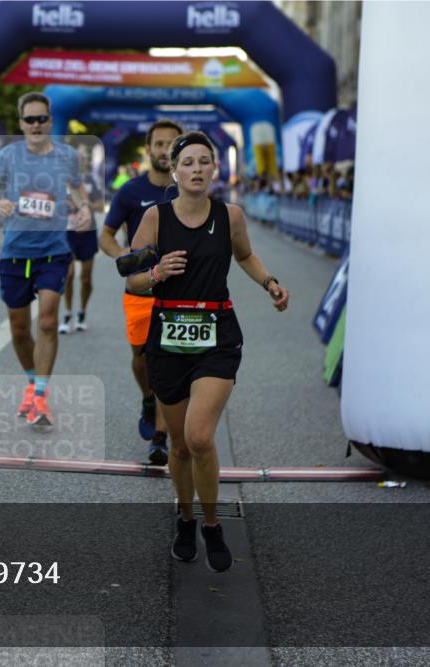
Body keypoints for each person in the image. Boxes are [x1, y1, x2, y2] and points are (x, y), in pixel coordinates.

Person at [125, 131, 289, 572]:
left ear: (214, 170)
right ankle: (184, 517)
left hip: (217, 338)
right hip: (168, 342)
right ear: (174, 170)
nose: (197, 169)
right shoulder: (156, 219)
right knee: (179, 447)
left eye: (205, 162)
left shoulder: (230, 215)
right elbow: (132, 280)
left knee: (200, 437)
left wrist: (270, 282)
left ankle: (212, 522)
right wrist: (157, 271)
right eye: (189, 162)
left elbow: (246, 256)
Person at [0, 92, 91, 426]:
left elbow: (78, 188)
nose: (36, 125)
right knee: (19, 327)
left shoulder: (66, 156)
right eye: (30, 120)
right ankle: (31, 382)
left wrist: (82, 208)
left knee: (48, 320)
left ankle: (40, 395)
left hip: (53, 250)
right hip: (15, 253)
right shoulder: (9, 155)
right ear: (21, 123)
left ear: (50, 122)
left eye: (42, 119)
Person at [100, 119, 182, 465]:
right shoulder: (131, 192)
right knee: (141, 358)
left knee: (166, 361)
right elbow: (105, 235)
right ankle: (148, 398)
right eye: (159, 144)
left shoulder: (189, 190)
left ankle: (160, 438)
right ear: (148, 150)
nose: (165, 150)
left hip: (179, 290)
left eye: (172, 144)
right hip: (139, 290)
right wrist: (126, 257)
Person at [59, 144, 104, 334]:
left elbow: (101, 205)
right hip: (67, 233)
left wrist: (84, 205)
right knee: (68, 275)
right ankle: (67, 313)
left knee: (85, 279)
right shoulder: (59, 180)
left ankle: (82, 312)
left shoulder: (91, 181)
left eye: (81, 159)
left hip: (86, 233)